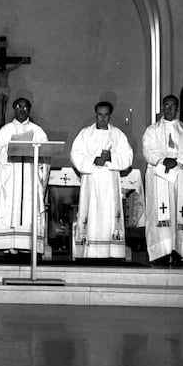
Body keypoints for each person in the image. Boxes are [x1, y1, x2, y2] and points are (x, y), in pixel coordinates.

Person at [0, 97, 49, 255]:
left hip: (29, 180)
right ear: (14, 108)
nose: (22, 109)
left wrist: (37, 155)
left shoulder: (37, 130)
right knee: (9, 207)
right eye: (19, 106)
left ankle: (27, 245)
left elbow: (46, 154)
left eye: (25, 107)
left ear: (29, 109)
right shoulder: (6, 130)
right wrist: (9, 150)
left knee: (28, 208)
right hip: (10, 179)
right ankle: (9, 244)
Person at [70, 101, 133, 259]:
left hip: (110, 182)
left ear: (109, 116)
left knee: (109, 214)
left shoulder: (117, 135)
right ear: (95, 114)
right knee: (91, 213)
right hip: (91, 181)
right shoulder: (85, 134)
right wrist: (93, 160)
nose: (103, 118)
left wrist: (110, 158)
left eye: (106, 115)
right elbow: (75, 154)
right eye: (100, 115)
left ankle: (112, 251)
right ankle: (88, 251)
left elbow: (128, 157)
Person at [142, 95, 183, 266]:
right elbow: (148, 150)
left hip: (181, 176)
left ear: (177, 108)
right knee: (160, 214)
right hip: (160, 176)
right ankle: (161, 252)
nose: (169, 109)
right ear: (161, 107)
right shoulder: (152, 130)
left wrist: (178, 161)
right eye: (166, 106)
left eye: (172, 106)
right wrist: (162, 160)